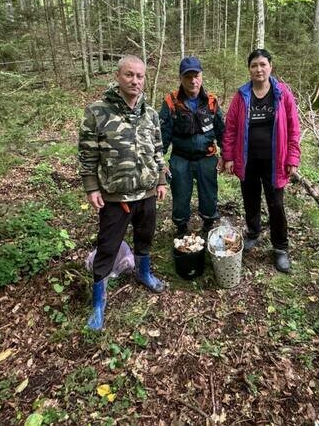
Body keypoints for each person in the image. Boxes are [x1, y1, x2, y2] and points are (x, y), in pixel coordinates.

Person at [78, 55, 168, 331]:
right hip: (115, 196)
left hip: (147, 192)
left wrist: (161, 180)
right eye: (129, 75)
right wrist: (91, 186)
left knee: (145, 236)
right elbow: (87, 153)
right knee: (107, 246)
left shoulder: (150, 113)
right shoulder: (98, 112)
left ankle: (143, 273)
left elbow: (157, 149)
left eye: (140, 76)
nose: (135, 81)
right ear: (118, 76)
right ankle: (98, 301)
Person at [221, 49, 301, 273]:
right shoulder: (242, 96)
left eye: (263, 64)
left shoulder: (282, 94)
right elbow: (231, 128)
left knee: (276, 204)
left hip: (275, 161)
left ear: (270, 67)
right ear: (249, 69)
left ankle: (280, 248)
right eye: (254, 65)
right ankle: (253, 232)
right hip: (248, 160)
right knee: (250, 200)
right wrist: (228, 156)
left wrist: (293, 157)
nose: (259, 69)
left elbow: (294, 128)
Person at [159, 56, 225, 238]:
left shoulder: (211, 101)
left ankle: (209, 223)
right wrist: (160, 160)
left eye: (196, 76)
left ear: (201, 76)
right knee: (180, 196)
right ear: (181, 78)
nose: (193, 81)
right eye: (188, 77)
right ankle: (181, 228)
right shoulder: (171, 101)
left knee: (209, 194)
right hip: (180, 158)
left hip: (207, 157)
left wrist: (226, 155)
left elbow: (222, 131)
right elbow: (162, 134)